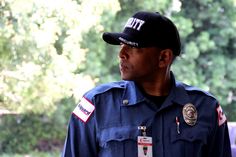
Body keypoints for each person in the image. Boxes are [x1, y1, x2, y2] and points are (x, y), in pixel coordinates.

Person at [61, 11, 232, 157]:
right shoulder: (97, 106)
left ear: (163, 57)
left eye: (133, 47)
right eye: (122, 45)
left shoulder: (206, 109)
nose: (121, 54)